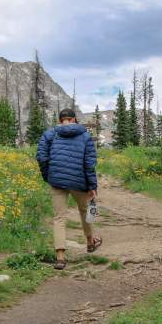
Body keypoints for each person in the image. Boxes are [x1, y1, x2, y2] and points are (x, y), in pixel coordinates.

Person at [36, 108, 103, 270]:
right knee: (86, 210)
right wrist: (92, 185)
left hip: (56, 180)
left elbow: (42, 157)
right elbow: (89, 163)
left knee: (59, 217)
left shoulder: (50, 134)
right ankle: (90, 242)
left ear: (61, 120)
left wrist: (48, 176)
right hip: (79, 181)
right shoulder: (85, 136)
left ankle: (60, 258)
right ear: (74, 120)